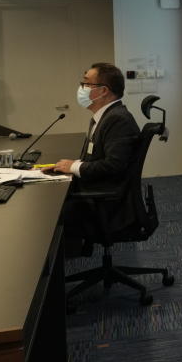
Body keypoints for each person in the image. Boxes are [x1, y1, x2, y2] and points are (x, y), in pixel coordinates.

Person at [49, 63, 141, 238]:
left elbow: (113, 165)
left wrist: (74, 167)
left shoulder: (118, 120)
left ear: (103, 91)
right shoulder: (104, 117)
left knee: (50, 212)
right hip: (99, 191)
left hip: (110, 204)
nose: (81, 89)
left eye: (86, 83)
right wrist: (70, 166)